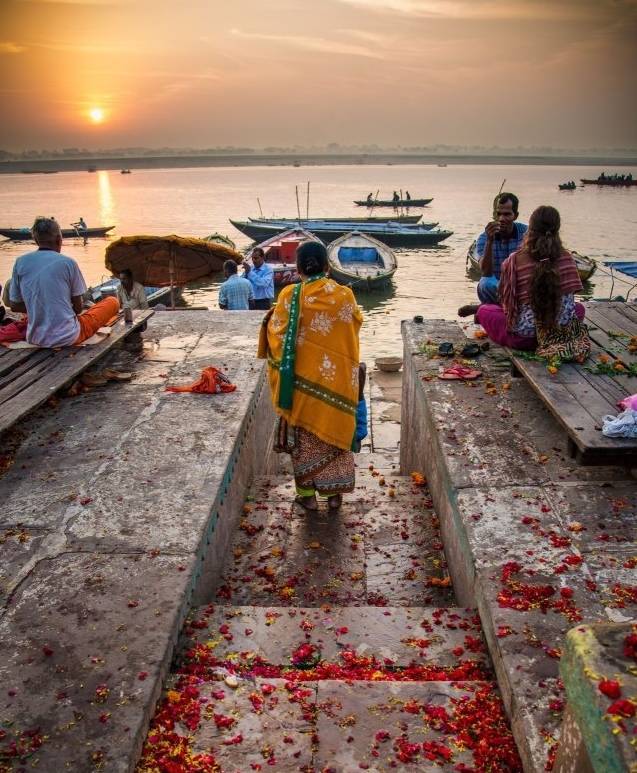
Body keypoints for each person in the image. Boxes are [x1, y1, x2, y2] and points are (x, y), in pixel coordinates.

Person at [258, 241, 363, 511]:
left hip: (302, 389)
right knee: (335, 438)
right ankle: (334, 495)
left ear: (298, 267)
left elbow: (276, 335)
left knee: (303, 442)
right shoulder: (344, 296)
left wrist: (268, 320)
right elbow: (353, 325)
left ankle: (307, 496)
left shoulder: (290, 296)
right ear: (328, 266)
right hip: (337, 383)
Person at [474, 205, 589, 360]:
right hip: (561, 334)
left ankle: (480, 311)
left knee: (484, 311)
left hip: (525, 339)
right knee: (579, 308)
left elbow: (508, 305)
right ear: (557, 229)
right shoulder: (568, 258)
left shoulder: (514, 260)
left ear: (531, 228)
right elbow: (569, 301)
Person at [9, 216, 119, 347]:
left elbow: (14, 306)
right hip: (69, 336)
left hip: (35, 338)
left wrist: (42, 308)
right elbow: (78, 308)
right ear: (58, 239)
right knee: (113, 302)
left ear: (36, 240)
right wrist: (56, 309)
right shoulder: (68, 263)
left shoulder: (20, 262)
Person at [467, 192, 527, 307]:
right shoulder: (484, 237)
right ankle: (503, 308)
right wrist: (490, 241)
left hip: (522, 287)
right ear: (494, 215)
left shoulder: (526, 234)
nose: (501, 219)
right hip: (498, 288)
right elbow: (485, 272)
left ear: (515, 215)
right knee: (485, 284)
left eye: (507, 214)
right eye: (498, 214)